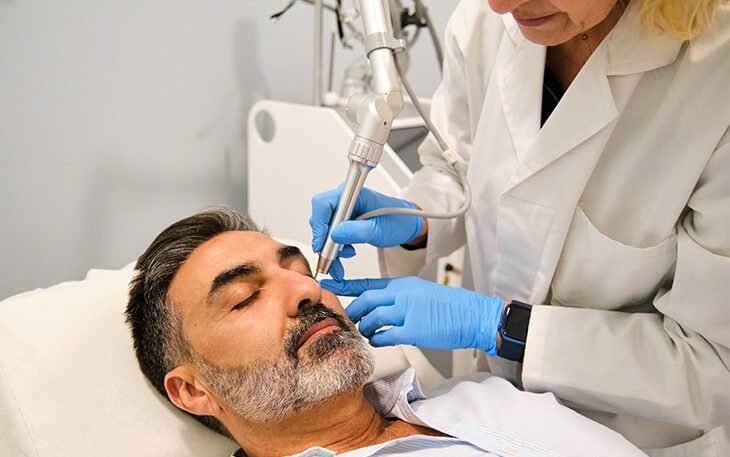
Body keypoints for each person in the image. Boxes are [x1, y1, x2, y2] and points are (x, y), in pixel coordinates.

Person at [309, 1, 730, 456]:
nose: (501, 5)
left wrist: (504, 328)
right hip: (495, 410)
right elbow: (455, 167)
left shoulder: (716, 77)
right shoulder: (484, 23)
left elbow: (712, 366)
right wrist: (416, 218)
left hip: (640, 435)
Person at [125, 207, 646, 457]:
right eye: (244, 297)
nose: (306, 290)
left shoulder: (485, 398)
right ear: (193, 390)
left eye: (300, 270)